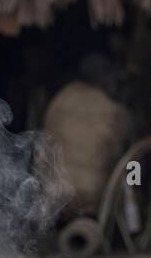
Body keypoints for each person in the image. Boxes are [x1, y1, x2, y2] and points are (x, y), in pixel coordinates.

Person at [40, 54, 131, 217]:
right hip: (92, 196)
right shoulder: (113, 110)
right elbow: (117, 153)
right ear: (104, 78)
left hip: (55, 194)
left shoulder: (60, 99)